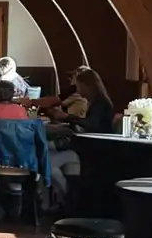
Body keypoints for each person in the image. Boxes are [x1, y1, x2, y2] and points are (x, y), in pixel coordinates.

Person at [47, 67, 115, 203]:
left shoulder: (100, 103)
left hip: (93, 150)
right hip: (90, 147)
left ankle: (64, 198)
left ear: (88, 86)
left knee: (46, 161)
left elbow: (91, 125)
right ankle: (66, 198)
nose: (79, 91)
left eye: (80, 87)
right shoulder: (98, 102)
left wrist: (67, 117)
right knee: (53, 152)